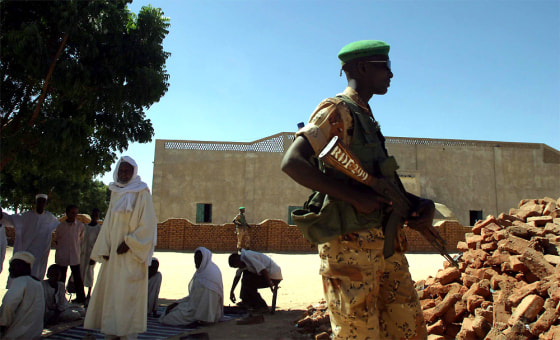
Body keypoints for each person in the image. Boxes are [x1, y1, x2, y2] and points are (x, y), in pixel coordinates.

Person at [281, 40, 434, 339]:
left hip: (386, 244)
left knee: (407, 329)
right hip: (349, 248)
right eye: (385, 67)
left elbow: (380, 182)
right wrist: (355, 198)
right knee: (357, 333)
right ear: (362, 68)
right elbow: (292, 162)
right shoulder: (336, 109)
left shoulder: (367, 117)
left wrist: (419, 204)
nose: (391, 75)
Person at [84, 156, 158, 339]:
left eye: (128, 171)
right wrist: (105, 248)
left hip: (131, 254)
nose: (124, 174)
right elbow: (109, 223)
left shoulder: (142, 192)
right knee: (113, 295)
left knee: (128, 296)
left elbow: (148, 224)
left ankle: (127, 335)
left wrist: (130, 242)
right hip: (114, 256)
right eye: (121, 171)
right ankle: (111, 332)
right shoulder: (115, 192)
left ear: (134, 172)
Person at [0, 194, 59, 281]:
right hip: (26, 253)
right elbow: (10, 219)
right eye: (39, 201)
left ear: (45, 203)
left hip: (40, 254)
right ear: (36, 202)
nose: (41, 204)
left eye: (43, 202)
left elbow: (61, 227)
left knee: (36, 277)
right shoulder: (26, 216)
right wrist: (2, 215)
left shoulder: (49, 218)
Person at [159, 247, 223, 326]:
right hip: (194, 306)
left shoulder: (210, 275)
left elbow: (209, 303)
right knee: (168, 311)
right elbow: (194, 295)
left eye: (199, 258)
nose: (196, 261)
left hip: (204, 314)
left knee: (169, 318)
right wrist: (177, 303)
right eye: (195, 258)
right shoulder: (202, 271)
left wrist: (201, 319)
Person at [0, 251, 45, 339]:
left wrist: (2, 324)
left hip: (16, 335)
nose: (10, 269)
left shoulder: (21, 281)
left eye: (14, 266)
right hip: (34, 335)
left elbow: (8, 306)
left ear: (25, 267)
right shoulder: (38, 284)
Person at [55, 204, 86, 304]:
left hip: (74, 256)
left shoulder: (80, 226)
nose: (74, 215)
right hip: (62, 256)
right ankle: (60, 298)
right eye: (72, 213)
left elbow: (81, 239)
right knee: (61, 278)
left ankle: (81, 298)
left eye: (76, 213)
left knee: (77, 278)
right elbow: (58, 240)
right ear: (67, 213)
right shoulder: (60, 226)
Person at [80, 208, 102, 299]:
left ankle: (89, 294)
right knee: (81, 273)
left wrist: (95, 257)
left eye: (96, 215)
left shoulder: (99, 229)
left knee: (89, 273)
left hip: (91, 254)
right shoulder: (85, 226)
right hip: (82, 254)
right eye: (93, 214)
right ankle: (80, 294)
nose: (94, 216)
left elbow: (99, 243)